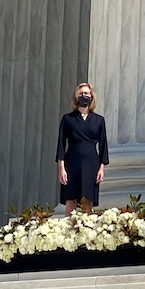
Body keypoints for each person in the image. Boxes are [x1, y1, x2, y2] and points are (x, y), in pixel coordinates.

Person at [56, 82, 109, 212]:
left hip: (91, 163)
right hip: (72, 162)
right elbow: (61, 144)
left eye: (86, 93)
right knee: (71, 200)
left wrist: (101, 168)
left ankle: (87, 230)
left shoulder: (99, 120)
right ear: (76, 96)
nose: (83, 95)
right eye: (81, 93)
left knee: (87, 201)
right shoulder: (68, 119)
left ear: (91, 96)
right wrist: (61, 169)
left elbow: (103, 145)